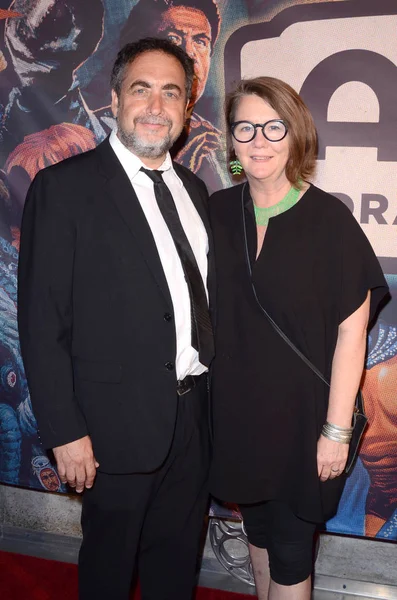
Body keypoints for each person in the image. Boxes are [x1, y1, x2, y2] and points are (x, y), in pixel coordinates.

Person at [18, 37, 214, 600]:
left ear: (186, 108)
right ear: (114, 98)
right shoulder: (64, 188)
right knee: (107, 575)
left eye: (171, 93)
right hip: (109, 431)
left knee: (175, 573)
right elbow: (40, 322)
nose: (156, 105)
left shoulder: (196, 191)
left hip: (192, 424)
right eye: (142, 89)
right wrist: (65, 432)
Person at [208, 76, 388, 599]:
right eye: (245, 126)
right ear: (233, 140)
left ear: (296, 135)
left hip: (303, 427)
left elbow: (353, 335)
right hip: (237, 423)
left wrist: (335, 432)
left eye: (273, 126)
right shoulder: (216, 211)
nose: (258, 139)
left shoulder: (329, 220)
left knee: (290, 554)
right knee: (258, 539)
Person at [96, 0, 228, 192]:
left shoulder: (216, 151)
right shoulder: (89, 133)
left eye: (200, 42)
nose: (190, 53)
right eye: (174, 38)